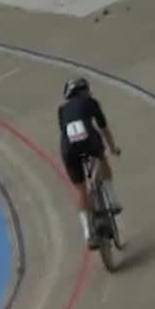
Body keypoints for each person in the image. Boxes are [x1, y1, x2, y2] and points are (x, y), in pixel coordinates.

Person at [57, 76, 122, 249]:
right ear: (83, 91)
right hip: (89, 142)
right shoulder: (91, 102)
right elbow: (103, 127)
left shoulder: (62, 110)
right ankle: (113, 200)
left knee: (79, 188)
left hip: (68, 150)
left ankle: (87, 232)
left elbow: (64, 131)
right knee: (102, 159)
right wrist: (113, 148)